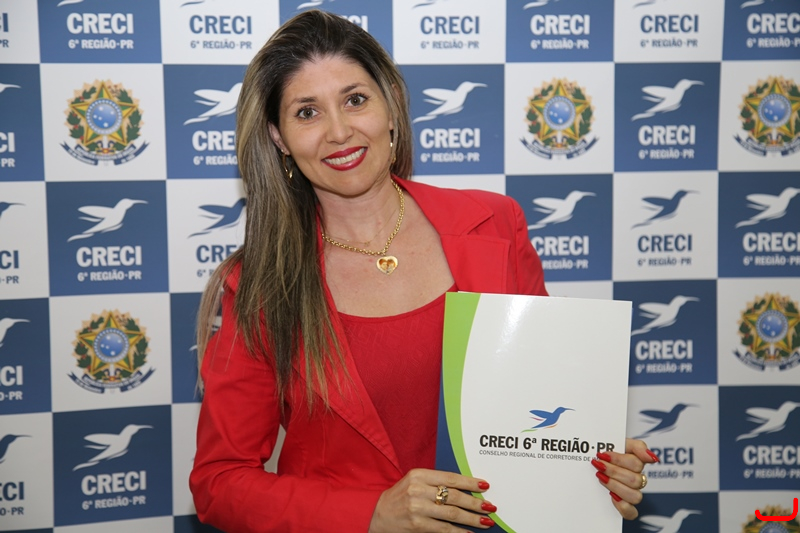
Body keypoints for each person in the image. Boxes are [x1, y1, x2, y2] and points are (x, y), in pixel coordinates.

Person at [190, 10, 658, 533]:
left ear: (391, 104)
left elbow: (542, 409)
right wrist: (372, 513)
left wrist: (592, 467)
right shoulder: (259, 285)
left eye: (355, 100)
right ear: (279, 138)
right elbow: (219, 482)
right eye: (307, 112)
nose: (339, 131)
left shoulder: (495, 225)